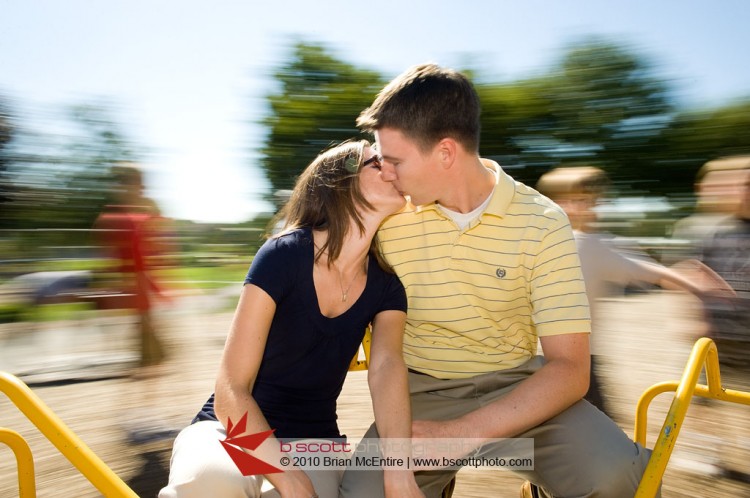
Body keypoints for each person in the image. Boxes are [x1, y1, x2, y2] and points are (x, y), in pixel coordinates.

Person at [339, 64, 653, 498]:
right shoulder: (387, 216)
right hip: (418, 391)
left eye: (393, 160)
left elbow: (570, 369)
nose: (384, 173)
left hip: (519, 388)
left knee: (619, 479)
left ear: (445, 153)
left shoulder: (543, 222)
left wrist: (460, 434)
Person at [159, 140, 423, 498]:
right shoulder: (283, 255)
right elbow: (230, 391)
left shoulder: (388, 287)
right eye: (377, 162)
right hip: (231, 429)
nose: (393, 170)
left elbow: (387, 370)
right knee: (212, 482)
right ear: (340, 183)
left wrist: (399, 474)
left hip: (314, 441)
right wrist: (289, 477)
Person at [536, 166, 718, 416]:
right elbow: (653, 273)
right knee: (596, 428)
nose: (592, 208)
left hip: (554, 358)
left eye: (593, 200)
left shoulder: (554, 240)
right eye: (581, 201)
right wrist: (690, 282)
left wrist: (681, 278)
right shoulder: (583, 243)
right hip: (573, 359)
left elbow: (645, 270)